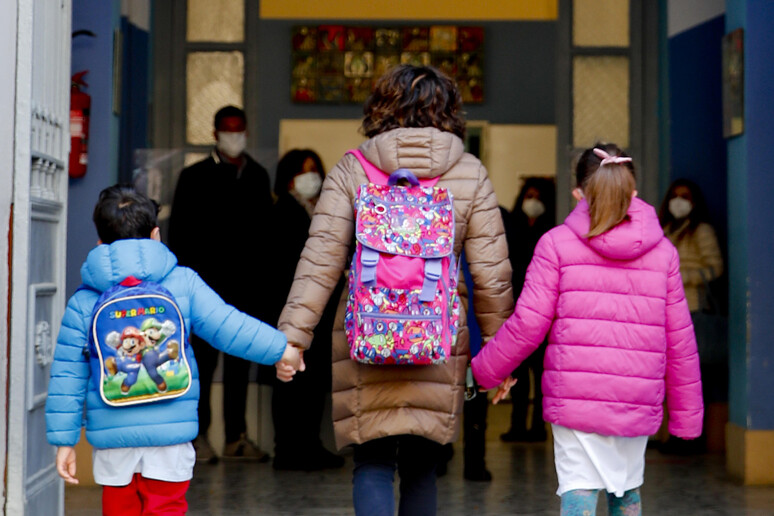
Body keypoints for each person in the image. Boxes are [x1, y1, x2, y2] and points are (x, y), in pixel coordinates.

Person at [276, 65, 513, 515]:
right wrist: (500, 360)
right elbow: (491, 277)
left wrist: (293, 338)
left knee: (372, 463)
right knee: (423, 465)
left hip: (367, 338)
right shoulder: (470, 173)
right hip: (437, 339)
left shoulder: (352, 169)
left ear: (380, 110)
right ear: (449, 111)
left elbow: (320, 261)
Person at [472, 143, 703, 515]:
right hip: (636, 394)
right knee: (626, 490)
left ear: (578, 193)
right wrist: (687, 418)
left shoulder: (556, 245)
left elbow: (528, 324)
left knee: (579, 489)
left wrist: (485, 373)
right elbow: (680, 341)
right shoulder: (664, 254)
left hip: (576, 396)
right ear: (633, 192)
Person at [45, 185, 299, 515]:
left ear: (100, 243)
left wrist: (65, 441)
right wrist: (282, 350)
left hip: (112, 438)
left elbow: (68, 372)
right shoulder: (182, 282)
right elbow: (229, 327)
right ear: (156, 235)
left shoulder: (85, 300)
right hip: (171, 434)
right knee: (167, 508)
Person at [168, 105, 273, 463]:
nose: (234, 137)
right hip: (204, 289)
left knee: (241, 364)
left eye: (239, 130)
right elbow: (179, 235)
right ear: (215, 133)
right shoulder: (194, 176)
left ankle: (236, 437)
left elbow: (264, 237)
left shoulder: (257, 176)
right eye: (228, 130)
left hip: (246, 290)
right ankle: (197, 438)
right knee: (202, 365)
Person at [266, 149, 345, 471]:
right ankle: (288, 448)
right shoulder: (282, 213)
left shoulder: (321, 213)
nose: (311, 178)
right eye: (303, 171)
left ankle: (309, 444)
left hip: (319, 316)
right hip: (289, 312)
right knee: (289, 383)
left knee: (312, 385)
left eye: (315, 170)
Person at [658, 179, 724, 453]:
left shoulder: (702, 230)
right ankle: (676, 435)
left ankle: (691, 439)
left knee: (693, 377)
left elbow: (715, 268)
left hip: (693, 309)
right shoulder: (667, 229)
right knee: (672, 375)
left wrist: (681, 278)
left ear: (694, 202)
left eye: (684, 196)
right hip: (668, 311)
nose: (679, 201)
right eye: (674, 196)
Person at [500, 177, 556, 443]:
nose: (532, 202)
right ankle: (517, 426)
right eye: (529, 196)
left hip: (545, 310)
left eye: (538, 197)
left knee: (541, 373)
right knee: (519, 372)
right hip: (517, 308)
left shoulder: (552, 229)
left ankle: (538, 427)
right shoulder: (512, 226)